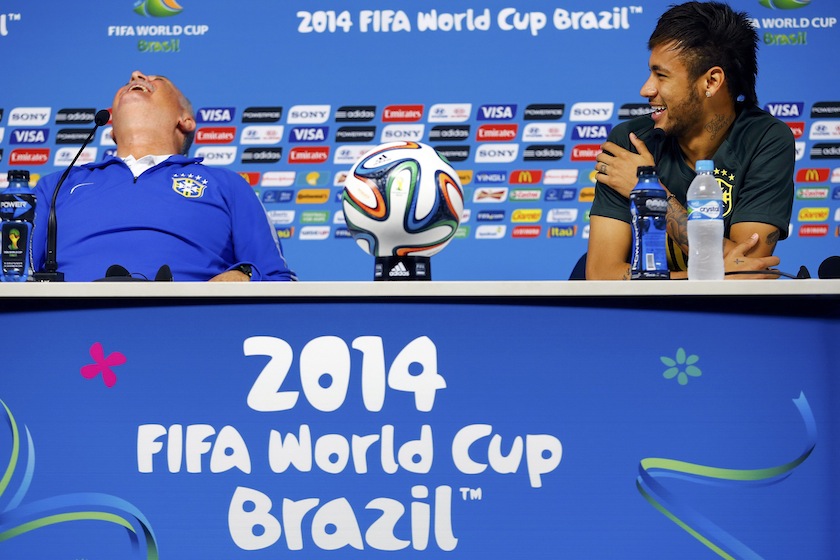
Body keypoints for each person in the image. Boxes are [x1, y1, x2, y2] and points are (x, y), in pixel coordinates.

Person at [587, 1, 795, 280]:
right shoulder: (630, 143)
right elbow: (601, 274)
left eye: (661, 75)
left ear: (711, 82)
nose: (646, 89)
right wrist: (707, 274)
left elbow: (747, 271)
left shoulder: (765, 140)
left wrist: (651, 193)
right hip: (646, 307)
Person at [32, 70, 296, 282]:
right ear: (112, 129)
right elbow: (15, 273)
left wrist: (244, 277)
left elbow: (277, 278)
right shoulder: (56, 186)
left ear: (185, 120)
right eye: (129, 81)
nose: (136, 75)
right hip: (70, 323)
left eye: (157, 80)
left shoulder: (227, 184)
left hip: (189, 324)